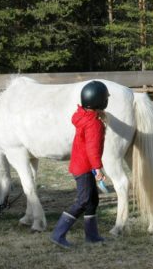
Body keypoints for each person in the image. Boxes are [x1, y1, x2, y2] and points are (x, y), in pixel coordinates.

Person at [50, 80, 110, 248]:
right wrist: (98, 169)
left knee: (92, 200)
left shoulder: (83, 116)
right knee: (83, 200)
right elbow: (92, 149)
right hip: (85, 167)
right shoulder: (94, 124)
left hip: (80, 164)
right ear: (101, 101)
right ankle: (58, 234)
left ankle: (92, 236)